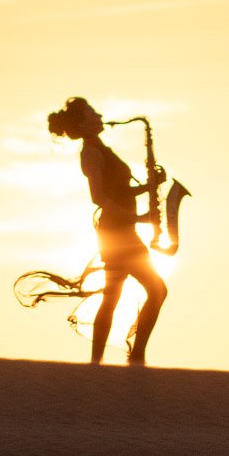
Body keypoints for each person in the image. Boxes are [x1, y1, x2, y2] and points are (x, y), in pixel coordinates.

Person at [47, 96, 167, 366]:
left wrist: (149, 187)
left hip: (119, 231)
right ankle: (134, 357)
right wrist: (138, 218)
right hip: (117, 232)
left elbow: (119, 192)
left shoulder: (101, 148)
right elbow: (99, 198)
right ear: (83, 123)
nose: (100, 116)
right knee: (156, 290)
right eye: (93, 113)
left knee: (113, 296)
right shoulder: (90, 152)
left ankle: (99, 363)